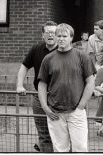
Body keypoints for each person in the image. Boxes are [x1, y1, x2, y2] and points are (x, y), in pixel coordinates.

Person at [38, 23, 96, 152]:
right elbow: (42, 84)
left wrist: (81, 106)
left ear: (71, 38)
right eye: (58, 35)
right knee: (60, 149)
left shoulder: (82, 57)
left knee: (80, 148)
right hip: (55, 112)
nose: (61, 38)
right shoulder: (48, 59)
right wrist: (45, 107)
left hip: (76, 111)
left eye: (64, 36)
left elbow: (90, 82)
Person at [16, 20, 57, 152]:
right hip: (40, 98)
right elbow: (24, 67)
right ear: (42, 35)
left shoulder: (64, 50)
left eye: (54, 32)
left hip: (59, 98)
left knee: (60, 133)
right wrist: (19, 85)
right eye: (48, 32)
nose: (51, 35)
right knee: (44, 134)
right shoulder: (36, 49)